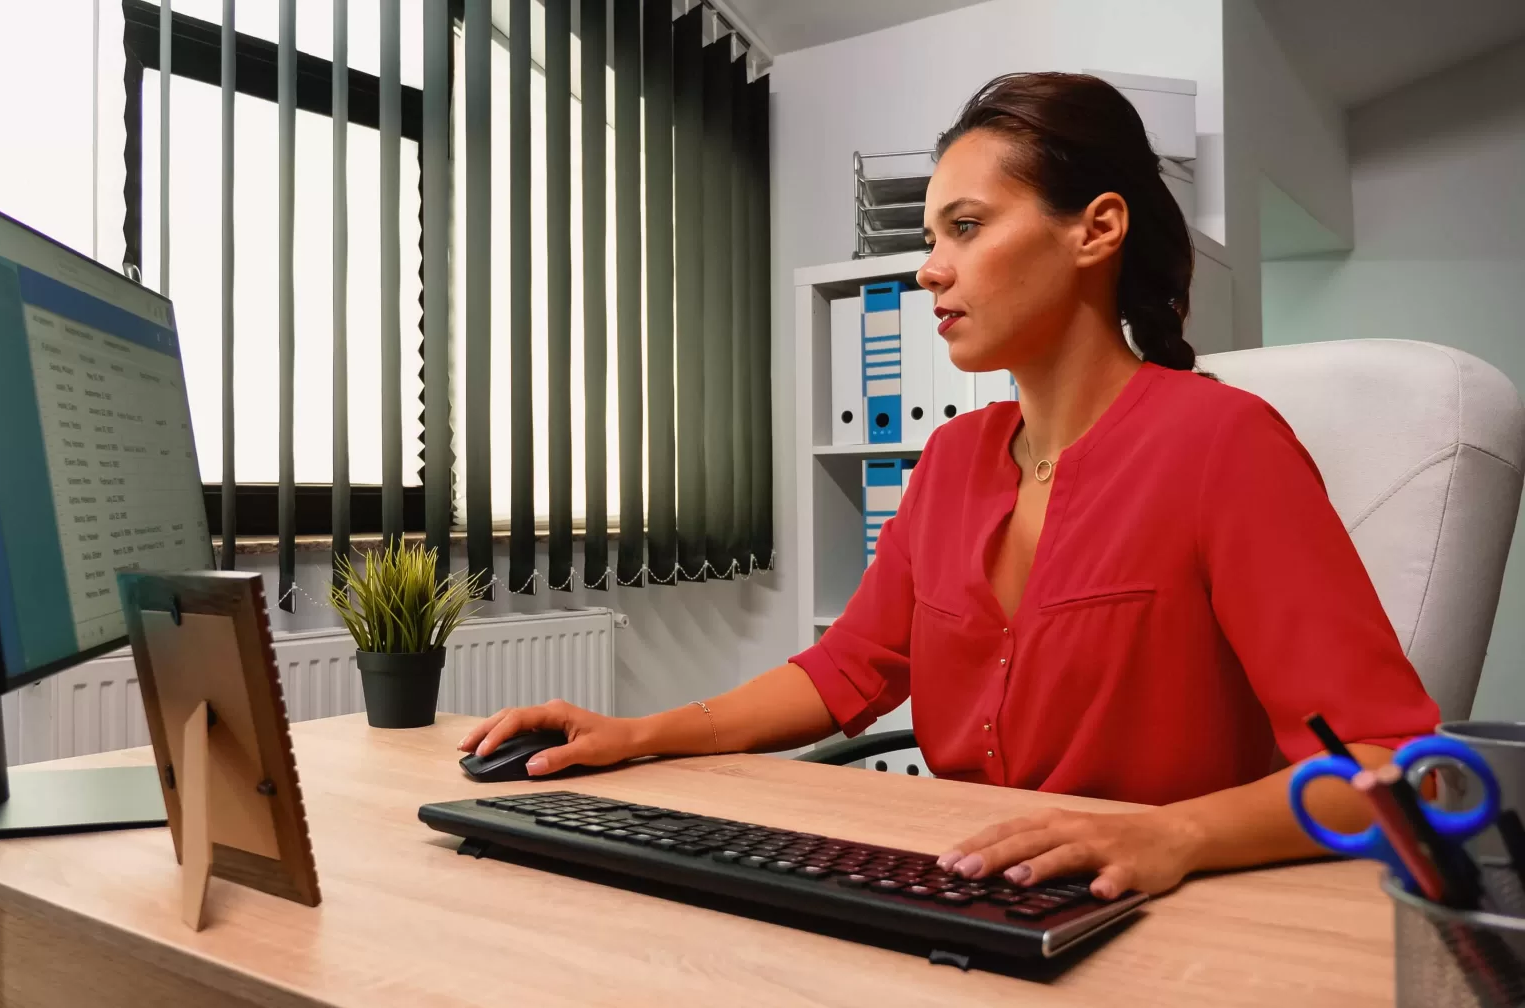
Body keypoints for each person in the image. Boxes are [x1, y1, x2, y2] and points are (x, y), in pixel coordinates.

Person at [458, 71, 1440, 901]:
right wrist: (640, 731)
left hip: (1147, 913)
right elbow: (845, 668)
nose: (929, 272)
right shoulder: (952, 459)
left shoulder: (1225, 444)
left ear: (1096, 230)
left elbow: (1389, 770)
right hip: (964, 886)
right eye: (932, 237)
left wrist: (1171, 837)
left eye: (965, 227)